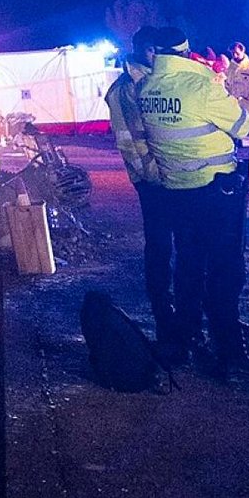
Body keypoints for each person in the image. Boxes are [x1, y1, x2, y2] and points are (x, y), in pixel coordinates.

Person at [137, 26, 249, 379]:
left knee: (189, 265)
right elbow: (240, 126)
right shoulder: (201, 86)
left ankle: (188, 336)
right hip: (218, 192)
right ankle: (228, 351)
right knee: (225, 269)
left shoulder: (148, 89)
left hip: (177, 190)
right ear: (186, 51)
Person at [104, 28, 174, 351]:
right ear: (142, 50)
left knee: (173, 242)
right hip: (152, 180)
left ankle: (172, 307)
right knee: (159, 245)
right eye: (153, 51)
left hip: (166, 176)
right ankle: (163, 312)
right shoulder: (125, 89)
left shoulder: (149, 80)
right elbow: (130, 142)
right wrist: (154, 176)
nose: (158, 56)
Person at [224, 40, 249, 162]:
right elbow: (227, 85)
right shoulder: (229, 68)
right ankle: (237, 156)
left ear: (243, 51)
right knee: (236, 131)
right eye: (232, 53)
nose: (235, 56)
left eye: (236, 53)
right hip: (235, 106)